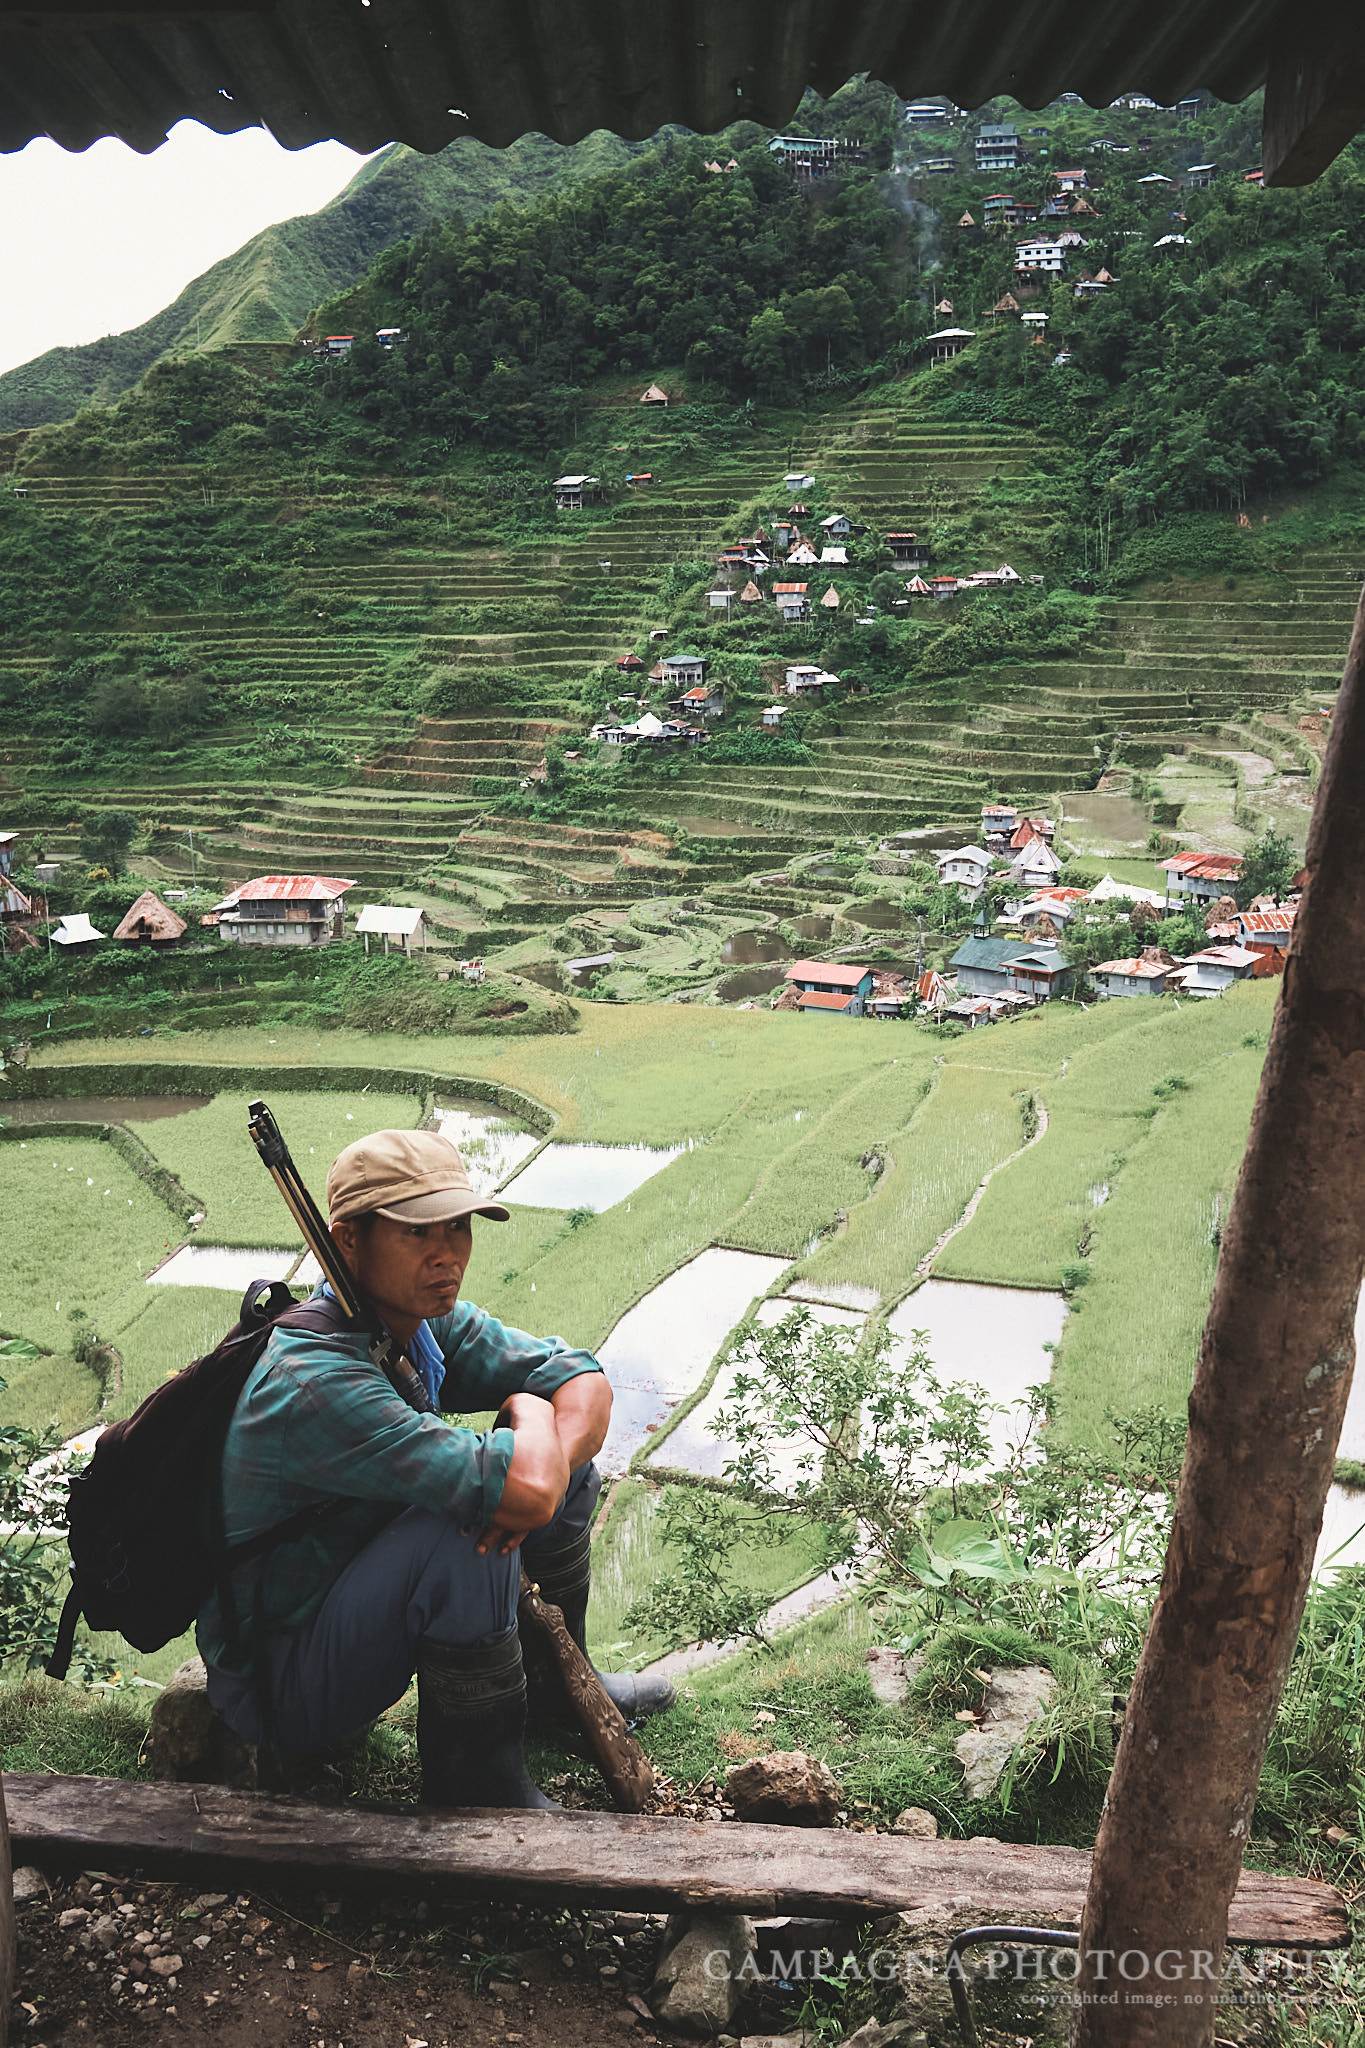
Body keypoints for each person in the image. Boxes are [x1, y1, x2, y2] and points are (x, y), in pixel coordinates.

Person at [197, 1126, 673, 1809]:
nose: (446, 1253)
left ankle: (553, 1692)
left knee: (560, 1477)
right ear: (347, 1241)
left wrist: (545, 1469)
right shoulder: (316, 1381)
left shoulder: (413, 1319)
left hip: (355, 1603)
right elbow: (529, 1471)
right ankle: (476, 1782)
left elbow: (583, 1380)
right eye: (417, 1233)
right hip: (287, 1683)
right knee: (468, 1528)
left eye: (458, 1228)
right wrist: (527, 1414)